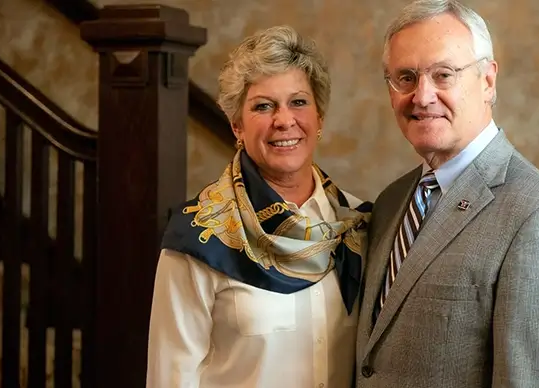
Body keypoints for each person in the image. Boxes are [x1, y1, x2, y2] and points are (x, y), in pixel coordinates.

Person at [355, 1, 539, 387]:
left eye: (443, 74)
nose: (422, 96)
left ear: (487, 81)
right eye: (405, 77)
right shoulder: (390, 201)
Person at [146, 25, 372, 388]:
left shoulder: (359, 227)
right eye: (263, 106)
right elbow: (170, 377)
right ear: (237, 126)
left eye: (298, 102)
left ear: (319, 120)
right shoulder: (197, 239)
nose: (284, 120)